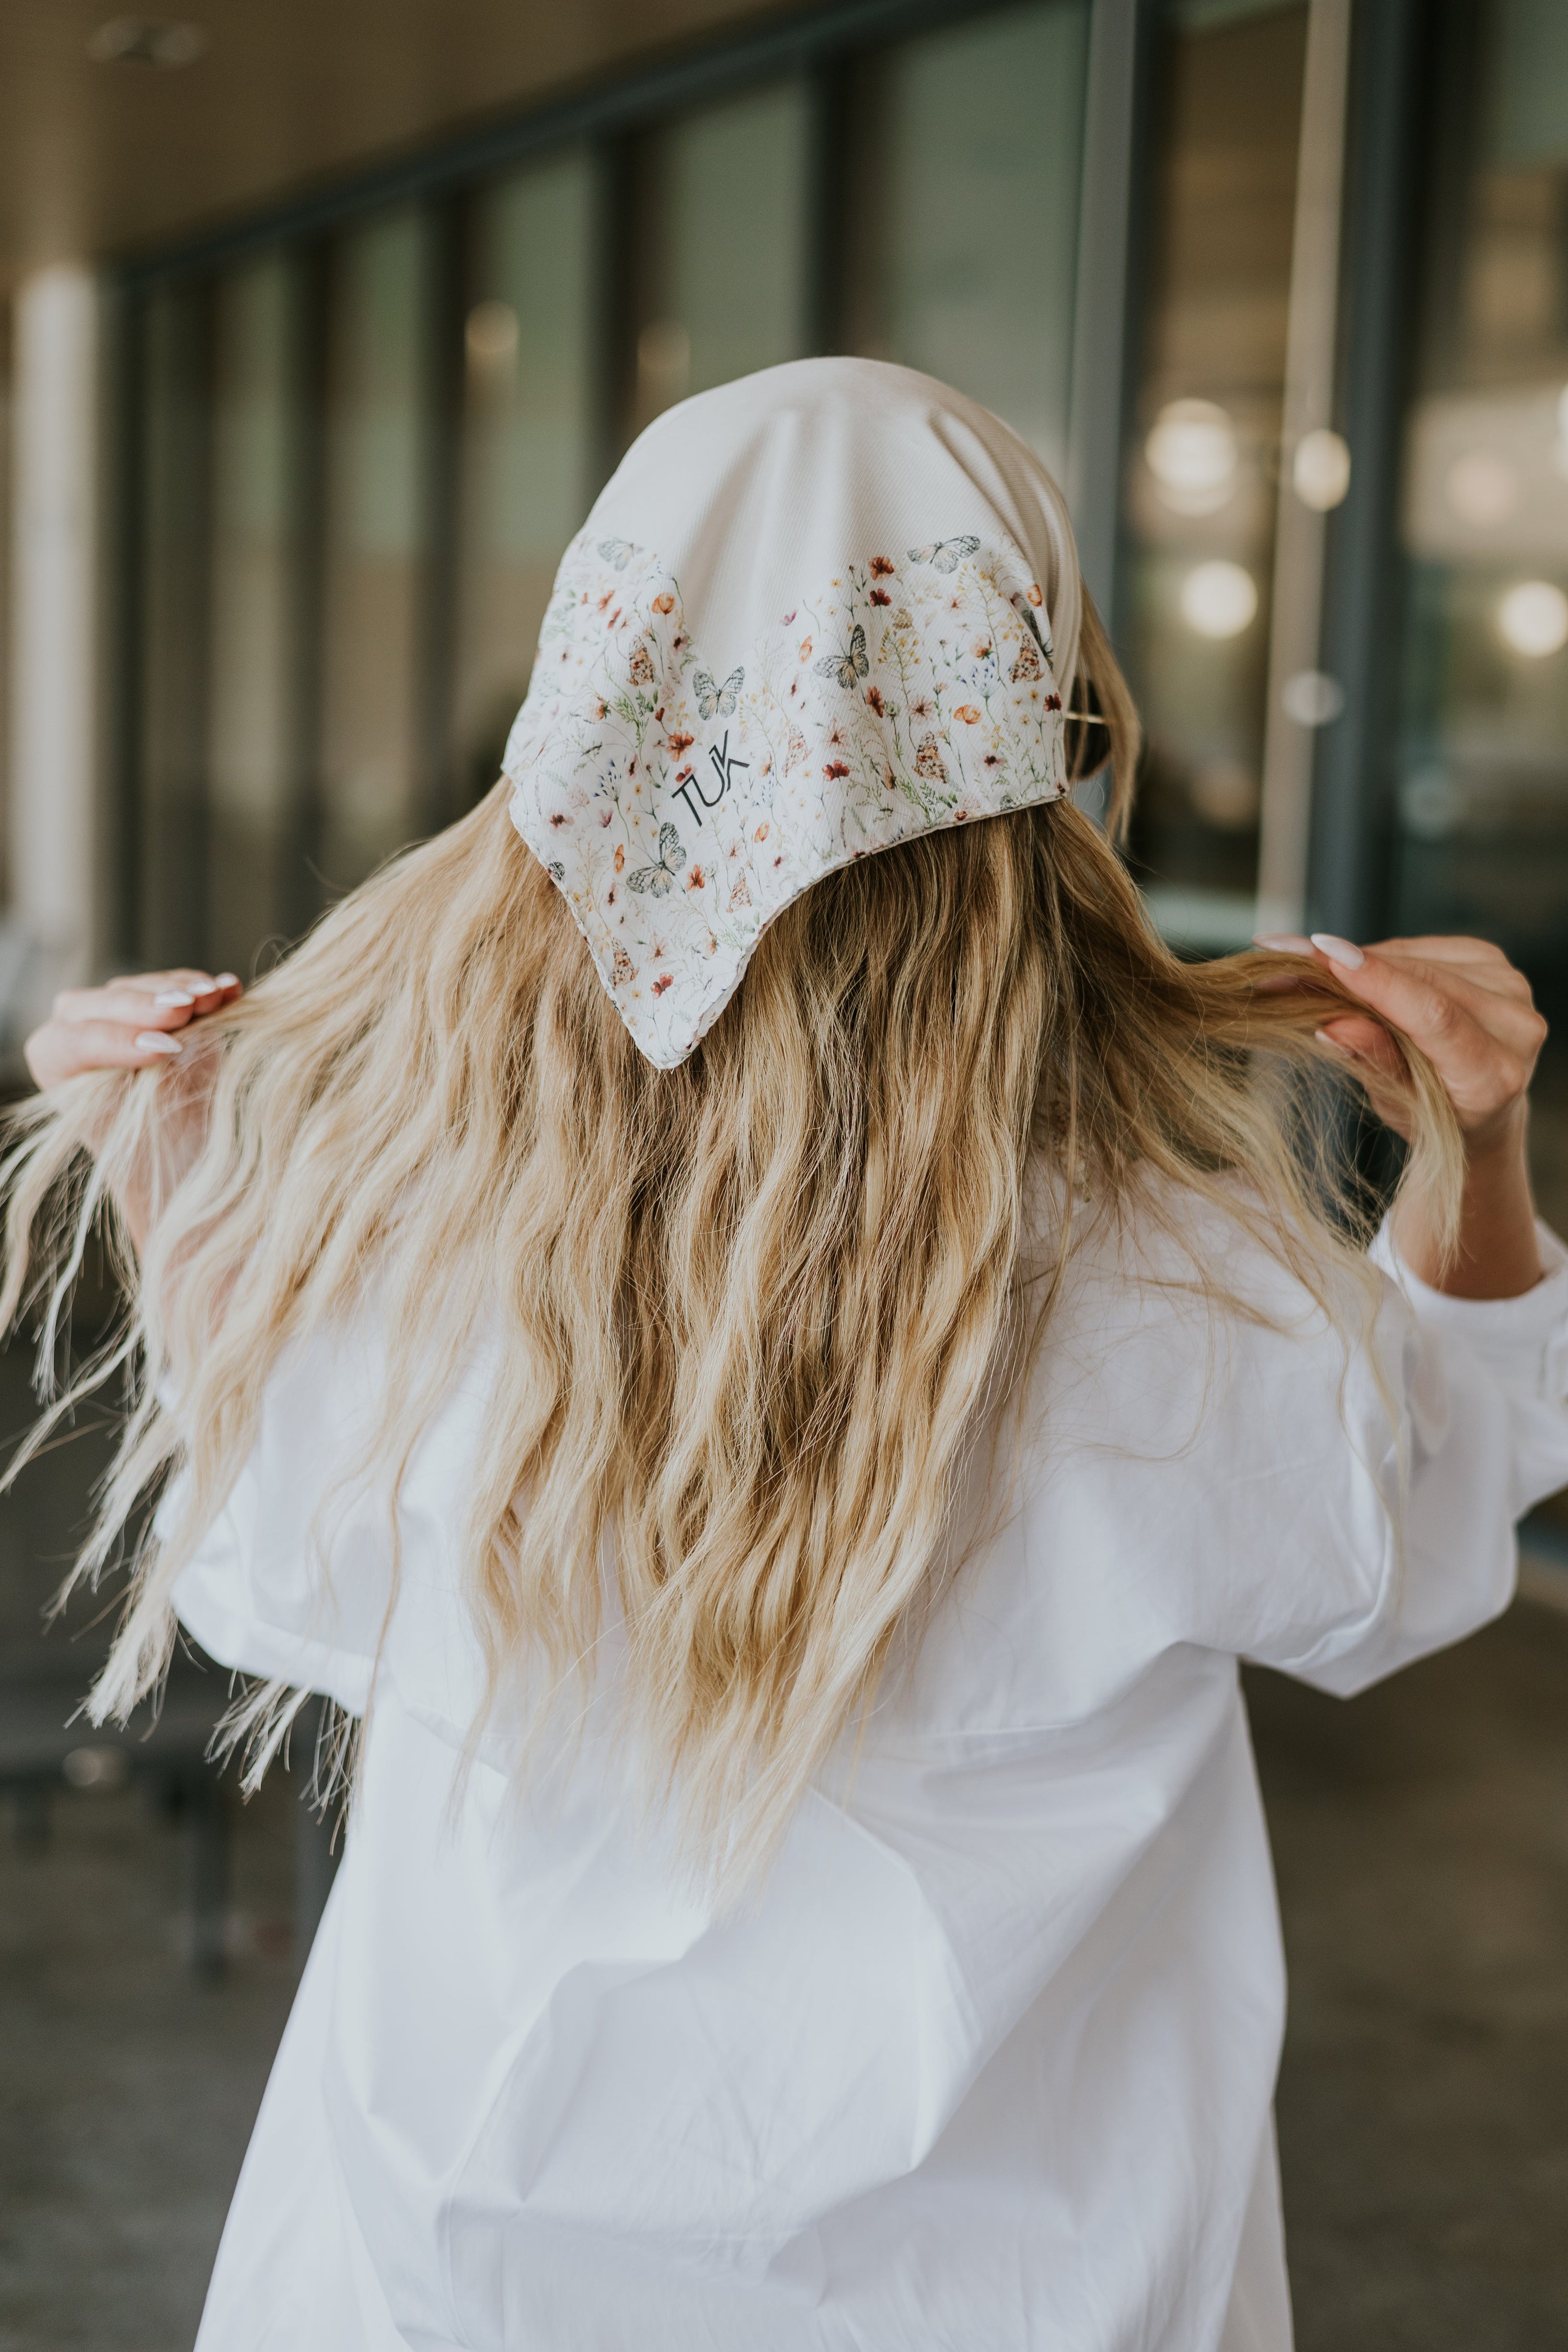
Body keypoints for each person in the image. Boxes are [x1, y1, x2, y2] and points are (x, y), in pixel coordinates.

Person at [7, 359, 1567, 2352]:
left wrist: (183, 1195)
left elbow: (280, 1584)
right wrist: (1480, 1152)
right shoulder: (1189, 1280)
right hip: (1036, 2288)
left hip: (456, 2269)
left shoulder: (425, 1218)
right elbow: (1413, 1555)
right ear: (1049, 748)